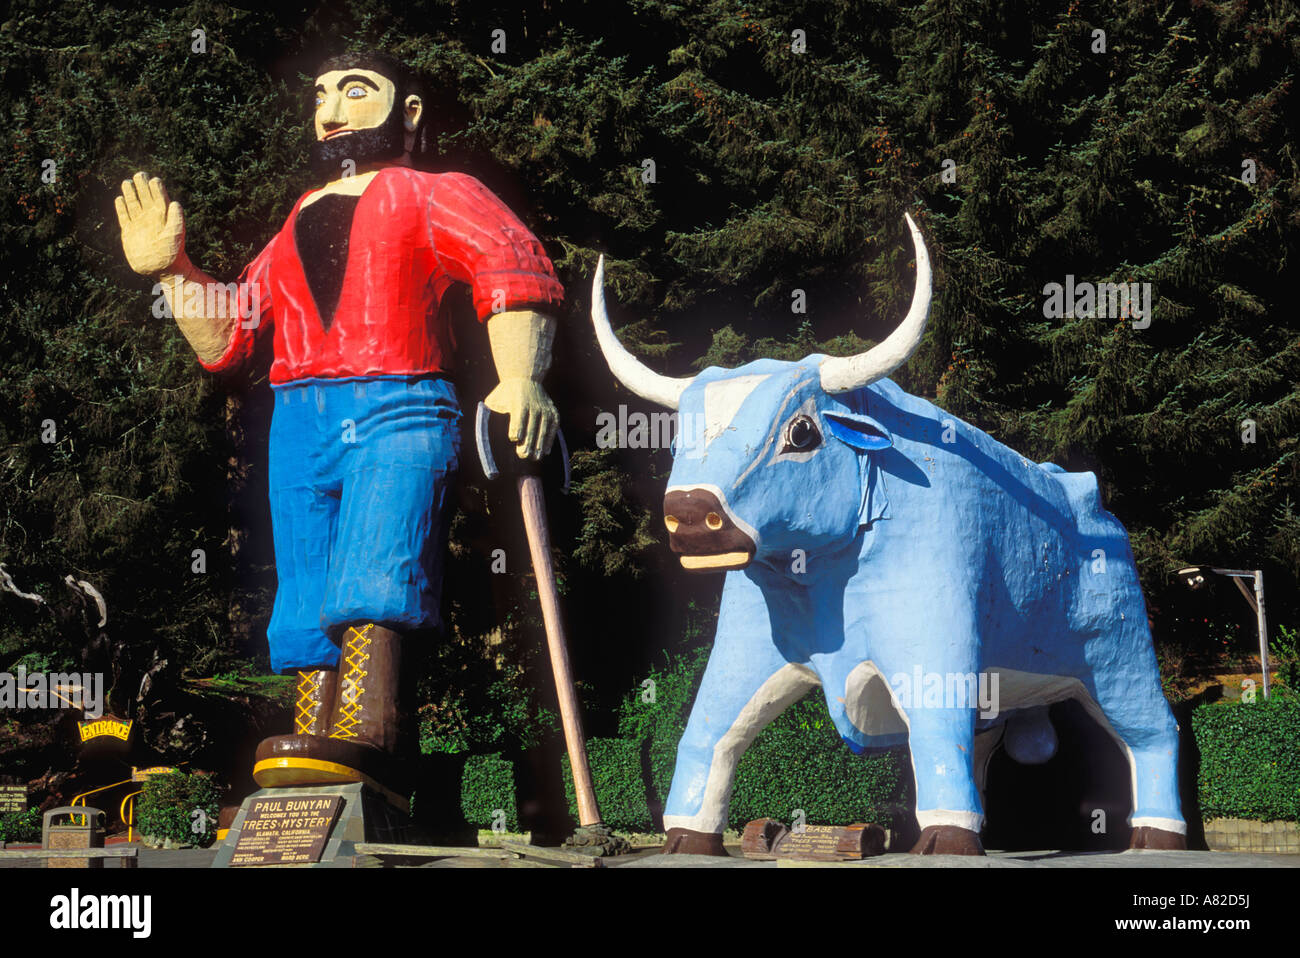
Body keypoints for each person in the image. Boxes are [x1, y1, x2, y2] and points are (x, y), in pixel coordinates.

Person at [115, 51, 564, 801]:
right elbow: (230, 336)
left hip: (398, 401)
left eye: (356, 91)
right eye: (321, 93)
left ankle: (369, 727)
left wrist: (519, 375)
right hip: (299, 417)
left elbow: (509, 265)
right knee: (305, 584)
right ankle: (317, 727)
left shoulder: (432, 193)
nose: (331, 110)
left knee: (375, 562)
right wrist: (172, 272)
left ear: (409, 113)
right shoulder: (295, 221)